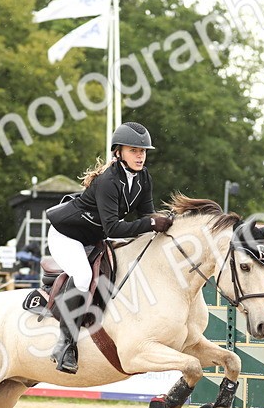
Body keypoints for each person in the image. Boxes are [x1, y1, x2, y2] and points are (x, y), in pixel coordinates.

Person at [45, 121, 170, 373]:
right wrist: (150, 222)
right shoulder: (108, 181)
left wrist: (163, 223)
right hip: (67, 235)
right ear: (118, 152)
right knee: (82, 276)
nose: (140, 155)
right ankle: (64, 345)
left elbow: (147, 216)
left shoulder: (144, 178)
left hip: (94, 237)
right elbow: (114, 228)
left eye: (143, 151)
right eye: (134, 150)